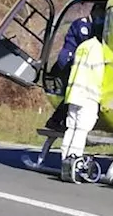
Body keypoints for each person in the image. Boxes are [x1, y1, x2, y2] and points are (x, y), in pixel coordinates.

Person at [60, 15, 106, 182]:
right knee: (82, 129)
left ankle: (65, 160)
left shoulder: (83, 46)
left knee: (71, 128)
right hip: (88, 94)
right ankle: (75, 161)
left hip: (73, 94)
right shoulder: (100, 50)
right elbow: (100, 75)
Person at [43, 17, 94, 131]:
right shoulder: (82, 24)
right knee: (73, 94)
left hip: (75, 61)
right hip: (69, 62)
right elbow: (86, 38)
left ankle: (59, 120)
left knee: (72, 94)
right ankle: (57, 120)